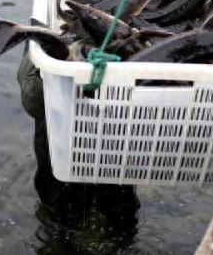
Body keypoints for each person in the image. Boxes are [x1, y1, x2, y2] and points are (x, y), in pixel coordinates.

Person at [17, 44, 140, 231]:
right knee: (60, 213)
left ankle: (118, 233)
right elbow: (33, 100)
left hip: (115, 131)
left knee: (120, 211)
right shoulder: (44, 36)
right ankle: (62, 238)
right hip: (61, 137)